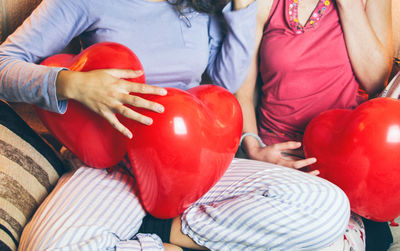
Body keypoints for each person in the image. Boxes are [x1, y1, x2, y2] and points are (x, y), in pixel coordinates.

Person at [0, 0, 351, 250]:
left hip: (196, 161)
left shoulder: (201, 5)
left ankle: (159, 227)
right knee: (47, 246)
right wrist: (73, 85)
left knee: (329, 207)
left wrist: (241, 9)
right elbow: (4, 63)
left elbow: (222, 84)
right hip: (115, 163)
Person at [235, 0, 393, 250]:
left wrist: (348, 6)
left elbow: (376, 81)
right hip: (278, 159)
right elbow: (242, 90)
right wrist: (253, 148)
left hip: (342, 164)